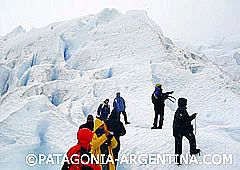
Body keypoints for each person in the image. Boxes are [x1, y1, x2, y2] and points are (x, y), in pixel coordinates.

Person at [173, 98, 200, 165]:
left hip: (177, 130)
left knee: (178, 145)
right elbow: (186, 120)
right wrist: (193, 116)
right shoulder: (183, 110)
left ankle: (177, 160)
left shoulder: (178, 110)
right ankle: (193, 150)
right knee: (192, 138)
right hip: (183, 130)